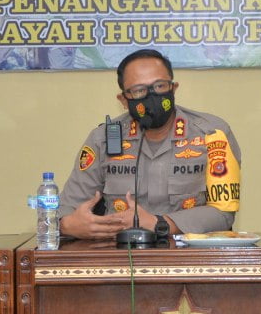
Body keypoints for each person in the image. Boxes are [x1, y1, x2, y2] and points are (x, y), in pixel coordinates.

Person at [57, 49, 241, 240]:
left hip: (190, 252)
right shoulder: (102, 140)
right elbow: (66, 210)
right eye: (139, 90)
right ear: (123, 100)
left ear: (173, 88)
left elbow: (223, 213)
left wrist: (159, 223)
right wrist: (67, 225)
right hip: (120, 252)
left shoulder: (212, 134)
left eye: (160, 86)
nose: (152, 96)